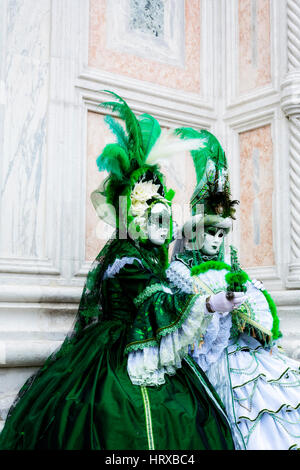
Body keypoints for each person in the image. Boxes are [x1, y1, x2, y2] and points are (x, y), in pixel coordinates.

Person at [0, 93, 235, 450]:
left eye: (167, 217)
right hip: (118, 355)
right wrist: (209, 303)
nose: (165, 226)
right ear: (136, 220)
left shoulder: (143, 255)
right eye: (155, 218)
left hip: (139, 343)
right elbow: (154, 299)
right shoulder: (128, 260)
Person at [167, 128, 300, 450]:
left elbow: (256, 310)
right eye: (209, 233)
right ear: (195, 233)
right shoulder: (179, 271)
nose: (216, 240)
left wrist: (250, 320)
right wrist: (216, 309)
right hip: (213, 355)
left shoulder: (231, 266)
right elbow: (180, 321)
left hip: (246, 349)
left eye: (220, 234)